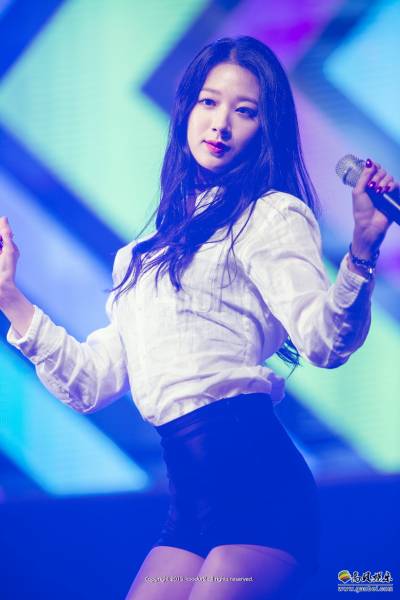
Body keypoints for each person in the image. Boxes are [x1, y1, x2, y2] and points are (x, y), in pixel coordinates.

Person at [0, 36, 397, 600]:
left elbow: (325, 342)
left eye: (245, 110)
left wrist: (361, 252)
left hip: (259, 487)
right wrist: (9, 296)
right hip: (189, 504)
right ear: (186, 107)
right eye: (209, 102)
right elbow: (90, 384)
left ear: (265, 128)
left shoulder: (270, 216)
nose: (221, 123)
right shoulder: (140, 258)